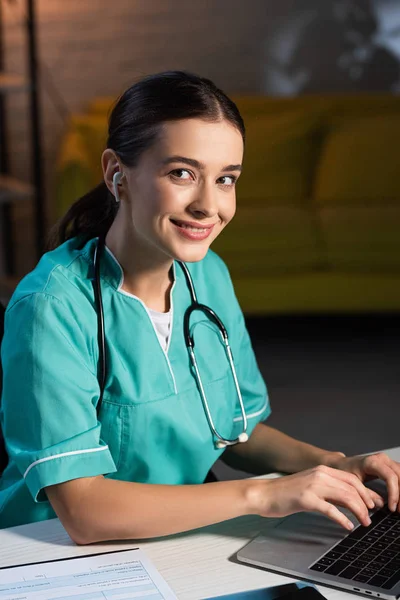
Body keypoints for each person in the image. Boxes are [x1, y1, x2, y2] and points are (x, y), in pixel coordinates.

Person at [0, 71, 399, 543]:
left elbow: (234, 431)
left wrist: (334, 466)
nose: (209, 206)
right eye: (182, 173)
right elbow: (84, 513)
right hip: (62, 552)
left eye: (226, 179)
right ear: (116, 173)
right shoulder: (52, 306)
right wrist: (263, 496)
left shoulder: (208, 275)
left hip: (185, 530)